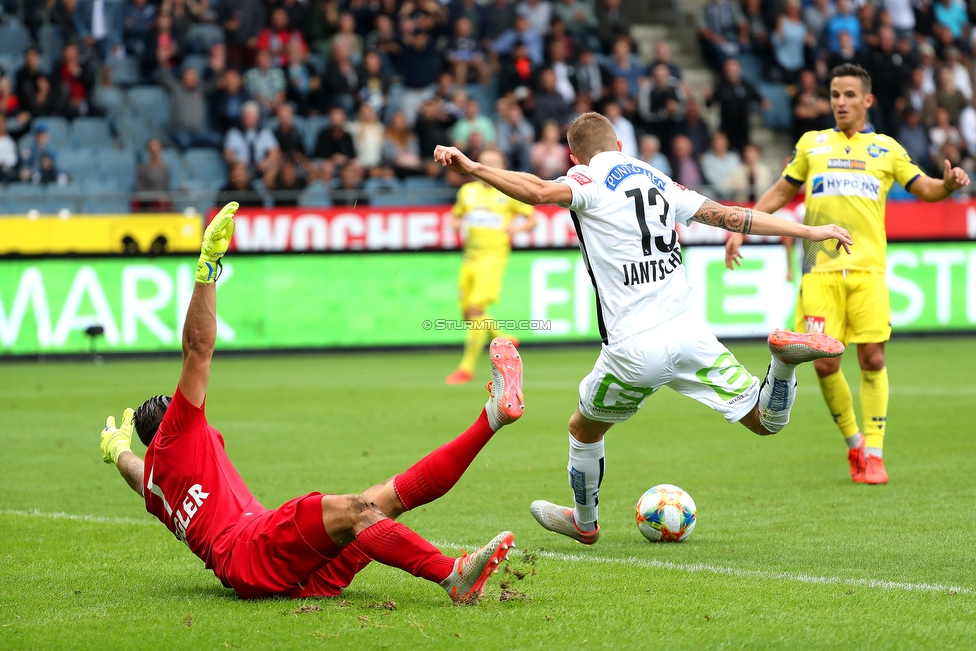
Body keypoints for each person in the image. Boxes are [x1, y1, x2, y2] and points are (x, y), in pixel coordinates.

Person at [434, 111, 853, 543]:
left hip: (634, 347)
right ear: (619, 146)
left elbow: (539, 191)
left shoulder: (584, 181)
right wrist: (808, 229)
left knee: (583, 428)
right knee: (767, 421)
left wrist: (474, 168)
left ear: (573, 157)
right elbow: (731, 217)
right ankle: (782, 365)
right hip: (690, 333)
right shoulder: (658, 179)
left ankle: (584, 521)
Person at [98, 202, 523, 602]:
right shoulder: (179, 429)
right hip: (251, 545)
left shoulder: (156, 484)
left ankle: (491, 417)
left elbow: (138, 473)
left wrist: (119, 451)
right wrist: (208, 269)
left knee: (380, 500)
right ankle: (453, 575)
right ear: (171, 420)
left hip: (268, 570)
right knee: (356, 509)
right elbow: (197, 348)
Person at [725, 63, 971, 485]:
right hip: (818, 268)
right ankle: (854, 445)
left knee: (873, 358)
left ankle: (873, 453)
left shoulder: (886, 149)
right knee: (824, 363)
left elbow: (926, 189)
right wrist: (742, 223)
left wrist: (948, 184)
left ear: (867, 100)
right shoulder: (812, 144)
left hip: (867, 270)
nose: (840, 101)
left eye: (849, 95)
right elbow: (783, 191)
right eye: (835, 94)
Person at [445, 149, 538, 385]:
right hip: (469, 258)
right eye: (484, 163)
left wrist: (516, 229)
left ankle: (466, 368)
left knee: (476, 309)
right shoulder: (467, 191)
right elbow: (455, 216)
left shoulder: (508, 192)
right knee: (467, 313)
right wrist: (456, 224)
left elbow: (532, 219)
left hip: (493, 257)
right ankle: (503, 337)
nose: (487, 167)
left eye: (493, 163)